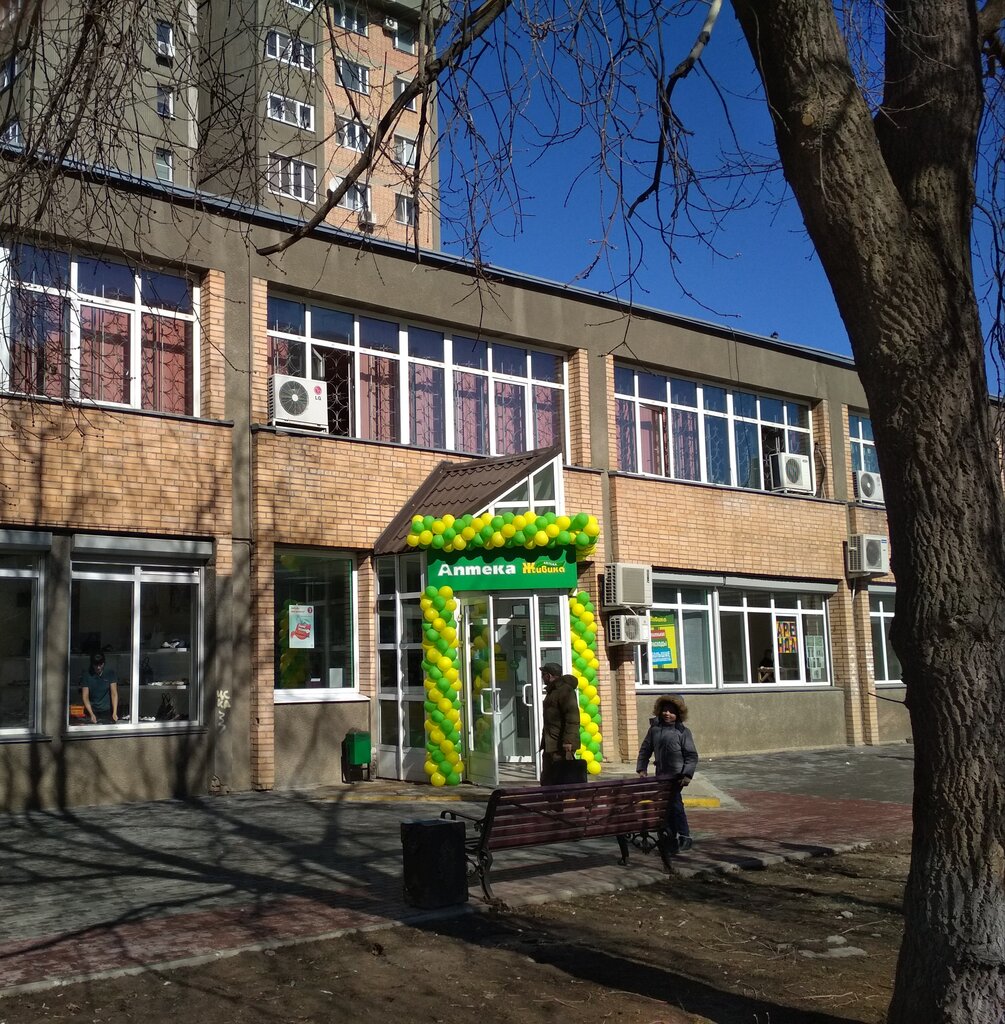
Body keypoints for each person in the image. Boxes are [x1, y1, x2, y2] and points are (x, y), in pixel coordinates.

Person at [636, 694, 698, 855]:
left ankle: (683, 836)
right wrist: (642, 768)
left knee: (674, 805)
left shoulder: (682, 732)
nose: (667, 714)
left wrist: (687, 774)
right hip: (661, 774)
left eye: (671, 711)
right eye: (665, 710)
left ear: (679, 714)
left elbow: (691, 756)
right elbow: (645, 749)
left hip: (677, 776)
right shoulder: (655, 730)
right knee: (666, 806)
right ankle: (671, 837)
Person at [539, 663, 581, 785]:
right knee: (548, 779)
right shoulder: (553, 691)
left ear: (549, 675)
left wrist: (568, 741)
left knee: (561, 780)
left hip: (560, 745)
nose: (542, 677)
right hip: (551, 742)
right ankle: (549, 797)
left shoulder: (565, 691)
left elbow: (572, 718)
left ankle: (560, 797)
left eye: (543, 674)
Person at [80, 652, 119, 725]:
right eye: (96, 665)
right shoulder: (86, 675)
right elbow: (85, 696)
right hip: (91, 709)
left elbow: (114, 693)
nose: (98, 667)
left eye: (100, 665)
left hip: (107, 710)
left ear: (104, 663)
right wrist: (91, 713)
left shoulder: (110, 673)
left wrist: (114, 712)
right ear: (92, 664)